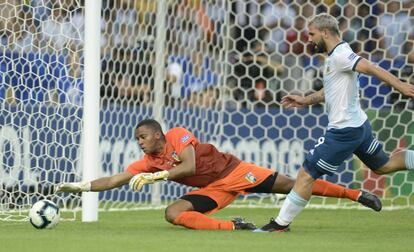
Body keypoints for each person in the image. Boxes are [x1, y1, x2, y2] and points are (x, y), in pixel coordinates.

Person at [56, 119, 382, 231]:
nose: (139, 143)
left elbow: (189, 167)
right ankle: (234, 226)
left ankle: (357, 195)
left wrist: (157, 178)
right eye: (137, 140)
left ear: (157, 134)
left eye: (142, 137)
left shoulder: (177, 135)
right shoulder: (148, 161)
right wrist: (80, 186)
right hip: (214, 189)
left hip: (235, 171)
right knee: (173, 213)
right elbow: (113, 180)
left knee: (291, 184)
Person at [256, 13, 414, 232]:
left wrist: (401, 86)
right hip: (359, 126)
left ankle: (279, 225)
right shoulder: (334, 57)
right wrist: (306, 99)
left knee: (306, 174)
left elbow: (369, 66)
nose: (309, 39)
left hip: (344, 131)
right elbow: (329, 90)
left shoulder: (341, 54)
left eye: (311, 34)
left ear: (325, 32)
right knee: (383, 165)